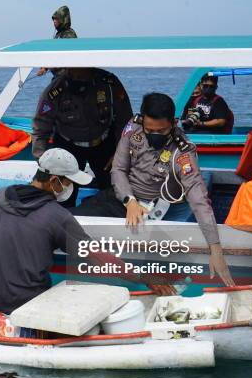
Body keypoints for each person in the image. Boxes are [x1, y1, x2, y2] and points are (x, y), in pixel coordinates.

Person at [0, 148, 176, 320]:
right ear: (55, 181)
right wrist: (146, 277)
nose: (70, 187)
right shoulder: (58, 217)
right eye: (68, 182)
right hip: (25, 303)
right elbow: (99, 258)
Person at [70, 93, 235, 287]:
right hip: (123, 197)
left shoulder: (183, 152)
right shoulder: (133, 128)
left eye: (162, 130)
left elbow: (198, 198)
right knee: (72, 220)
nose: (154, 135)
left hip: (154, 208)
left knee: (163, 266)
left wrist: (215, 250)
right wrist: (129, 200)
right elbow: (119, 168)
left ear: (173, 123)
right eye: (149, 130)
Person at [32, 68, 133, 206]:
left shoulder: (109, 84)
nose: (76, 75)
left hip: (103, 143)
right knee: (63, 196)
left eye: (81, 72)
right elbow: (40, 128)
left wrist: (119, 153)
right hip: (67, 146)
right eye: (72, 72)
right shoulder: (54, 91)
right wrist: (43, 161)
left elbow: (125, 121)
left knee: (114, 191)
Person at [36, 5, 77, 77]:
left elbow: (69, 56)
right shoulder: (58, 35)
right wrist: (44, 68)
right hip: (59, 76)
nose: (54, 21)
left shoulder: (70, 34)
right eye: (54, 19)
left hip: (68, 76)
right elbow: (52, 54)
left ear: (63, 20)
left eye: (57, 19)